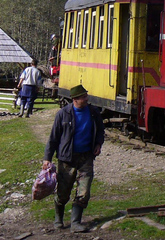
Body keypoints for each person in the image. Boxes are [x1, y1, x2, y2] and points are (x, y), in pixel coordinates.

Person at [43, 84, 104, 232]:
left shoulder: (93, 113)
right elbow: (53, 138)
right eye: (83, 97)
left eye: (86, 95)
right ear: (75, 100)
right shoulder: (63, 114)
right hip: (67, 159)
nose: (86, 98)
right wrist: (47, 158)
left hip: (86, 157)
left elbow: (101, 131)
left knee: (84, 192)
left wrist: (98, 144)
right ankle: (58, 220)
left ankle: (76, 222)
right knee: (63, 193)